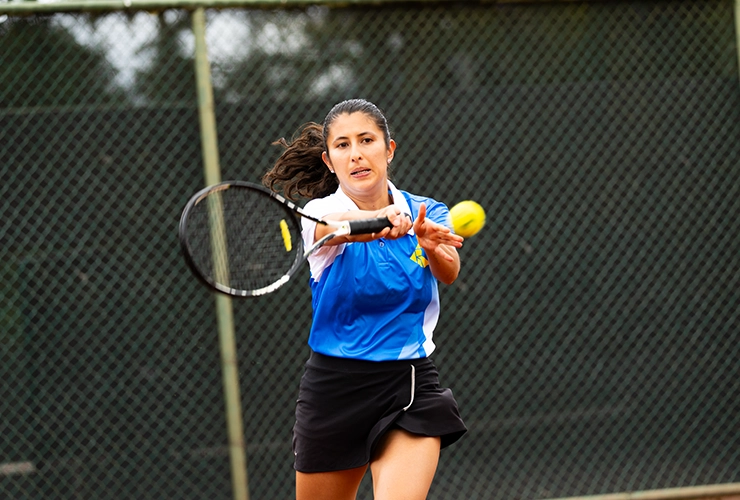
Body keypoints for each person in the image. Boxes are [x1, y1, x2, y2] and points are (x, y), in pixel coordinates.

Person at [263, 98, 467, 500]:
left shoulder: (427, 211)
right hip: (335, 390)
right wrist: (380, 222)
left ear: (388, 149)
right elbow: (336, 228)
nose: (355, 154)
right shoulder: (317, 215)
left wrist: (429, 243)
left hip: (408, 386)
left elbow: (449, 269)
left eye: (366, 140)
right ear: (328, 160)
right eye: (342, 145)